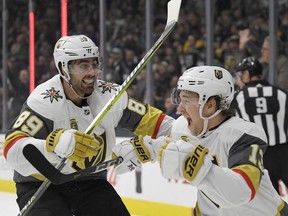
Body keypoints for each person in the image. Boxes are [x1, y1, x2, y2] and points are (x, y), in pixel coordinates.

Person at [3, 35, 174, 216]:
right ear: (64, 68)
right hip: (40, 184)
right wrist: (51, 146)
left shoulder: (109, 96)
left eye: (94, 64)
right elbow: (11, 148)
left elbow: (158, 123)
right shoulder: (45, 100)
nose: (92, 72)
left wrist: (170, 139)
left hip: (89, 180)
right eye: (83, 65)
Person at [112, 65, 288, 215]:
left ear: (210, 105)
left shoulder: (245, 135)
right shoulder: (185, 127)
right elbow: (156, 125)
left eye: (187, 101)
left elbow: (242, 191)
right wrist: (148, 148)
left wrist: (196, 165)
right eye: (179, 99)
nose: (179, 109)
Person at [230, 56, 288, 195]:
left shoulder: (237, 99)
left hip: (259, 155)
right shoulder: (281, 93)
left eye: (239, 76)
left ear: (246, 74)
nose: (237, 81)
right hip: (285, 152)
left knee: (269, 202)